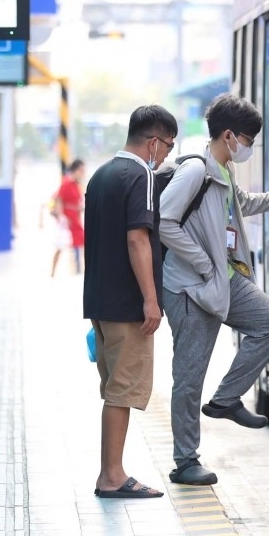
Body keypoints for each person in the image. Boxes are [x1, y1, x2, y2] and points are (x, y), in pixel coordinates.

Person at [159, 94, 269, 486]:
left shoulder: (225, 171)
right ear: (228, 135)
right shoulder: (195, 172)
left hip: (223, 279)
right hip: (191, 288)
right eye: (247, 139)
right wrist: (202, 261)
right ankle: (185, 461)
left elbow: (245, 204)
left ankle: (227, 399)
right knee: (189, 374)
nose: (248, 147)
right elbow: (164, 220)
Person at [83, 105, 178, 499]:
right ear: (153, 142)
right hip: (127, 305)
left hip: (101, 301)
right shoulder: (140, 175)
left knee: (114, 390)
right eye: (168, 146)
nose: (168, 154)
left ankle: (112, 471)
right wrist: (151, 301)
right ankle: (112, 475)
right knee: (122, 391)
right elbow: (137, 238)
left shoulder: (101, 174)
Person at [50, 159, 86, 276]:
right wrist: (61, 217)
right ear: (75, 170)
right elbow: (59, 199)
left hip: (75, 220)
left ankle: (78, 270)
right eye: (81, 171)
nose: (82, 173)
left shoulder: (77, 185)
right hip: (67, 220)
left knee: (80, 245)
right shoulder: (66, 184)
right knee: (60, 246)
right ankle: (53, 272)